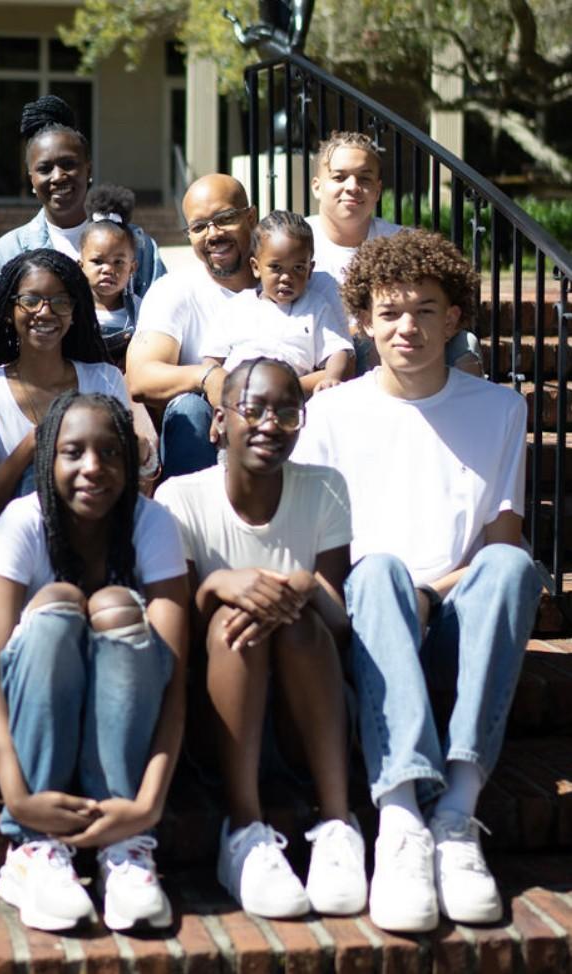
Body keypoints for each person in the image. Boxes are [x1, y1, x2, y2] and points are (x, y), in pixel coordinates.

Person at [291, 230, 542, 933]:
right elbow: (321, 551)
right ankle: (400, 815)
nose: (408, 327)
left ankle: (457, 813)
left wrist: (434, 594)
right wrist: (403, 592)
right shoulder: (332, 414)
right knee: (378, 571)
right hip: (369, 625)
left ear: (454, 317)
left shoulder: (500, 408)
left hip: (457, 624)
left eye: (426, 310)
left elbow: (499, 544)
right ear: (363, 320)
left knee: (514, 566)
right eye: (391, 312)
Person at [155, 357, 366, 919]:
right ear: (218, 424)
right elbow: (176, 632)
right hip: (219, 720)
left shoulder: (324, 488)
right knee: (234, 619)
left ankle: (338, 824)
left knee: (298, 619)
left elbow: (341, 622)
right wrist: (220, 584)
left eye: (287, 412)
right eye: (253, 409)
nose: (271, 423)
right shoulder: (181, 498)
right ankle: (244, 830)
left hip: (308, 713)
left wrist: (302, 586)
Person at [0, 391, 188, 932]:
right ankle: (34, 850)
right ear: (49, 458)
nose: (93, 468)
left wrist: (147, 805)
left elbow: (174, 685)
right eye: (74, 452)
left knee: (116, 607)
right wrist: (18, 799)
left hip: (126, 761)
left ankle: (125, 847)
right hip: (35, 747)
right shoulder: (23, 522)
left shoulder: (153, 523)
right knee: (59, 604)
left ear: (128, 459)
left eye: (110, 453)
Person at [0, 250, 131, 514]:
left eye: (60, 301)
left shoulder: (105, 378)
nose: (45, 312)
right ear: (8, 311)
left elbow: (123, 480)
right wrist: (35, 442)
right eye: (30, 300)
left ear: (73, 311)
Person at [308, 130, 482, 375]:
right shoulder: (294, 243)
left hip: (393, 346)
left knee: (465, 344)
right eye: (339, 177)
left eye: (364, 179)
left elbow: (449, 304)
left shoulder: (404, 243)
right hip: (322, 354)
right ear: (317, 187)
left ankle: (466, 411)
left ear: (378, 190)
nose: (352, 187)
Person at [126, 174, 258, 479]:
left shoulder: (284, 280)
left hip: (279, 416)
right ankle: (189, 521)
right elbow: (141, 377)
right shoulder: (175, 291)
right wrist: (208, 377)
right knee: (189, 408)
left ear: (251, 217)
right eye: (199, 227)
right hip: (207, 432)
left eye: (224, 219)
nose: (213, 234)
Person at [0, 95, 164, 307]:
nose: (58, 176)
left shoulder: (139, 246)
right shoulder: (8, 252)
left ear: (89, 170)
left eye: (68, 164)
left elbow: (165, 321)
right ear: (31, 179)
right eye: (44, 169)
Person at [200, 211, 355, 403]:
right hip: (239, 399)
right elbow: (212, 361)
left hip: (290, 400)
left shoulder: (316, 307)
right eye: (276, 267)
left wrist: (332, 377)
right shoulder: (237, 308)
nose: (286, 278)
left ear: (310, 270)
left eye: (298, 268)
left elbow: (338, 350)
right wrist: (220, 401)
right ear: (256, 267)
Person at [79, 183, 142, 364]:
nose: (108, 269)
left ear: (132, 268)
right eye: (98, 261)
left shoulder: (142, 311)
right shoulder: (71, 308)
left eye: (118, 262)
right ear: (80, 265)